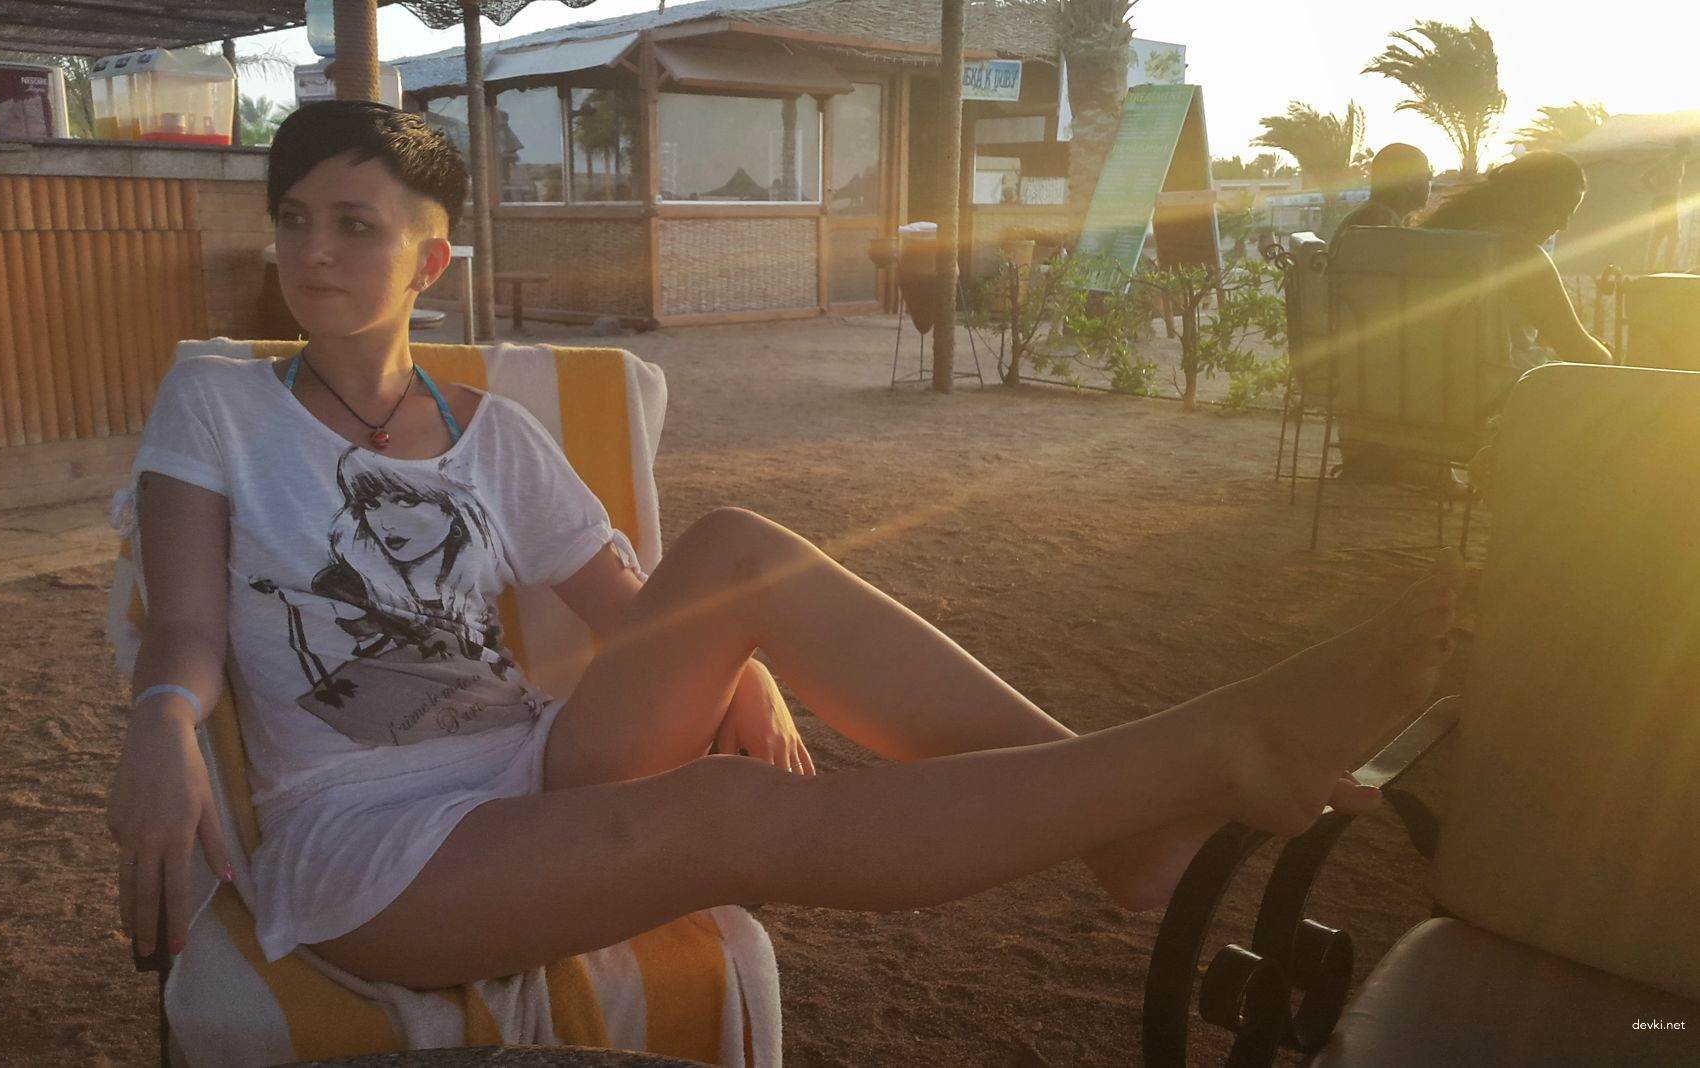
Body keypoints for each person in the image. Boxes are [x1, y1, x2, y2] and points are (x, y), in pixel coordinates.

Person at [107, 101, 1459, 992]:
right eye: (295, 219)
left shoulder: (492, 434)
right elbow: (185, 622)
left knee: (737, 551)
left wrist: (736, 657)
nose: (313, 252)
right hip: (372, 843)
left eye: (355, 226)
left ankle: (1132, 833)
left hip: (533, 763)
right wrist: (165, 719)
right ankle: (1189, 769)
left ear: (431, 262)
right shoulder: (219, 404)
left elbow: (632, 605)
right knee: (727, 812)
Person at [1418, 150, 1613, 365]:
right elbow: (1576, 348)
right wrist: (1608, 356)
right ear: (1533, 201)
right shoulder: (1520, 256)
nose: (1563, 225)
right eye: (1561, 211)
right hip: (1507, 382)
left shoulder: (1433, 242)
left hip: (1430, 377)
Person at [1332, 142, 1434, 241]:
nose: (1431, 184)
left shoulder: (1370, 215)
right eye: (1429, 177)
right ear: (1409, 181)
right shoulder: (1381, 220)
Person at [1641, 138, 1690, 272]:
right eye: (1685, 149)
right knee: (1662, 236)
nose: (1687, 152)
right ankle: (1652, 267)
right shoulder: (1666, 161)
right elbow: (1645, 177)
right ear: (1679, 148)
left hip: (1671, 201)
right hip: (1663, 201)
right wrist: (1657, 191)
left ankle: (1665, 267)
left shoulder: (1680, 162)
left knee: (1671, 237)